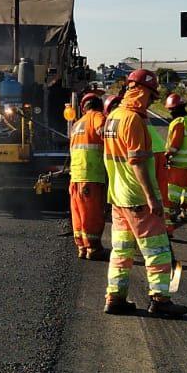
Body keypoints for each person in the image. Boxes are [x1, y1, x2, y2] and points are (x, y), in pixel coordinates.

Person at [101, 69, 187, 318]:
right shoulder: (133, 120)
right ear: (141, 91)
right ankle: (160, 300)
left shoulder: (114, 117)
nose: (152, 101)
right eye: (151, 96)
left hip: (118, 197)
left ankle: (115, 298)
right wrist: (152, 198)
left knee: (121, 250)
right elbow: (137, 162)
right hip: (138, 198)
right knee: (157, 250)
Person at [67, 91, 107, 260]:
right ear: (99, 106)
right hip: (91, 175)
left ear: (83, 108)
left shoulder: (77, 124)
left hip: (75, 177)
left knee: (78, 214)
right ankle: (93, 249)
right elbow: (102, 131)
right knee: (92, 214)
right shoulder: (97, 116)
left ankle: (82, 247)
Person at [162, 93, 187, 226]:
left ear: (176, 109)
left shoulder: (178, 123)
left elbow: (175, 144)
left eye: (171, 109)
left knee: (173, 190)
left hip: (178, 164)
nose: (170, 112)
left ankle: (171, 213)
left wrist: (166, 155)